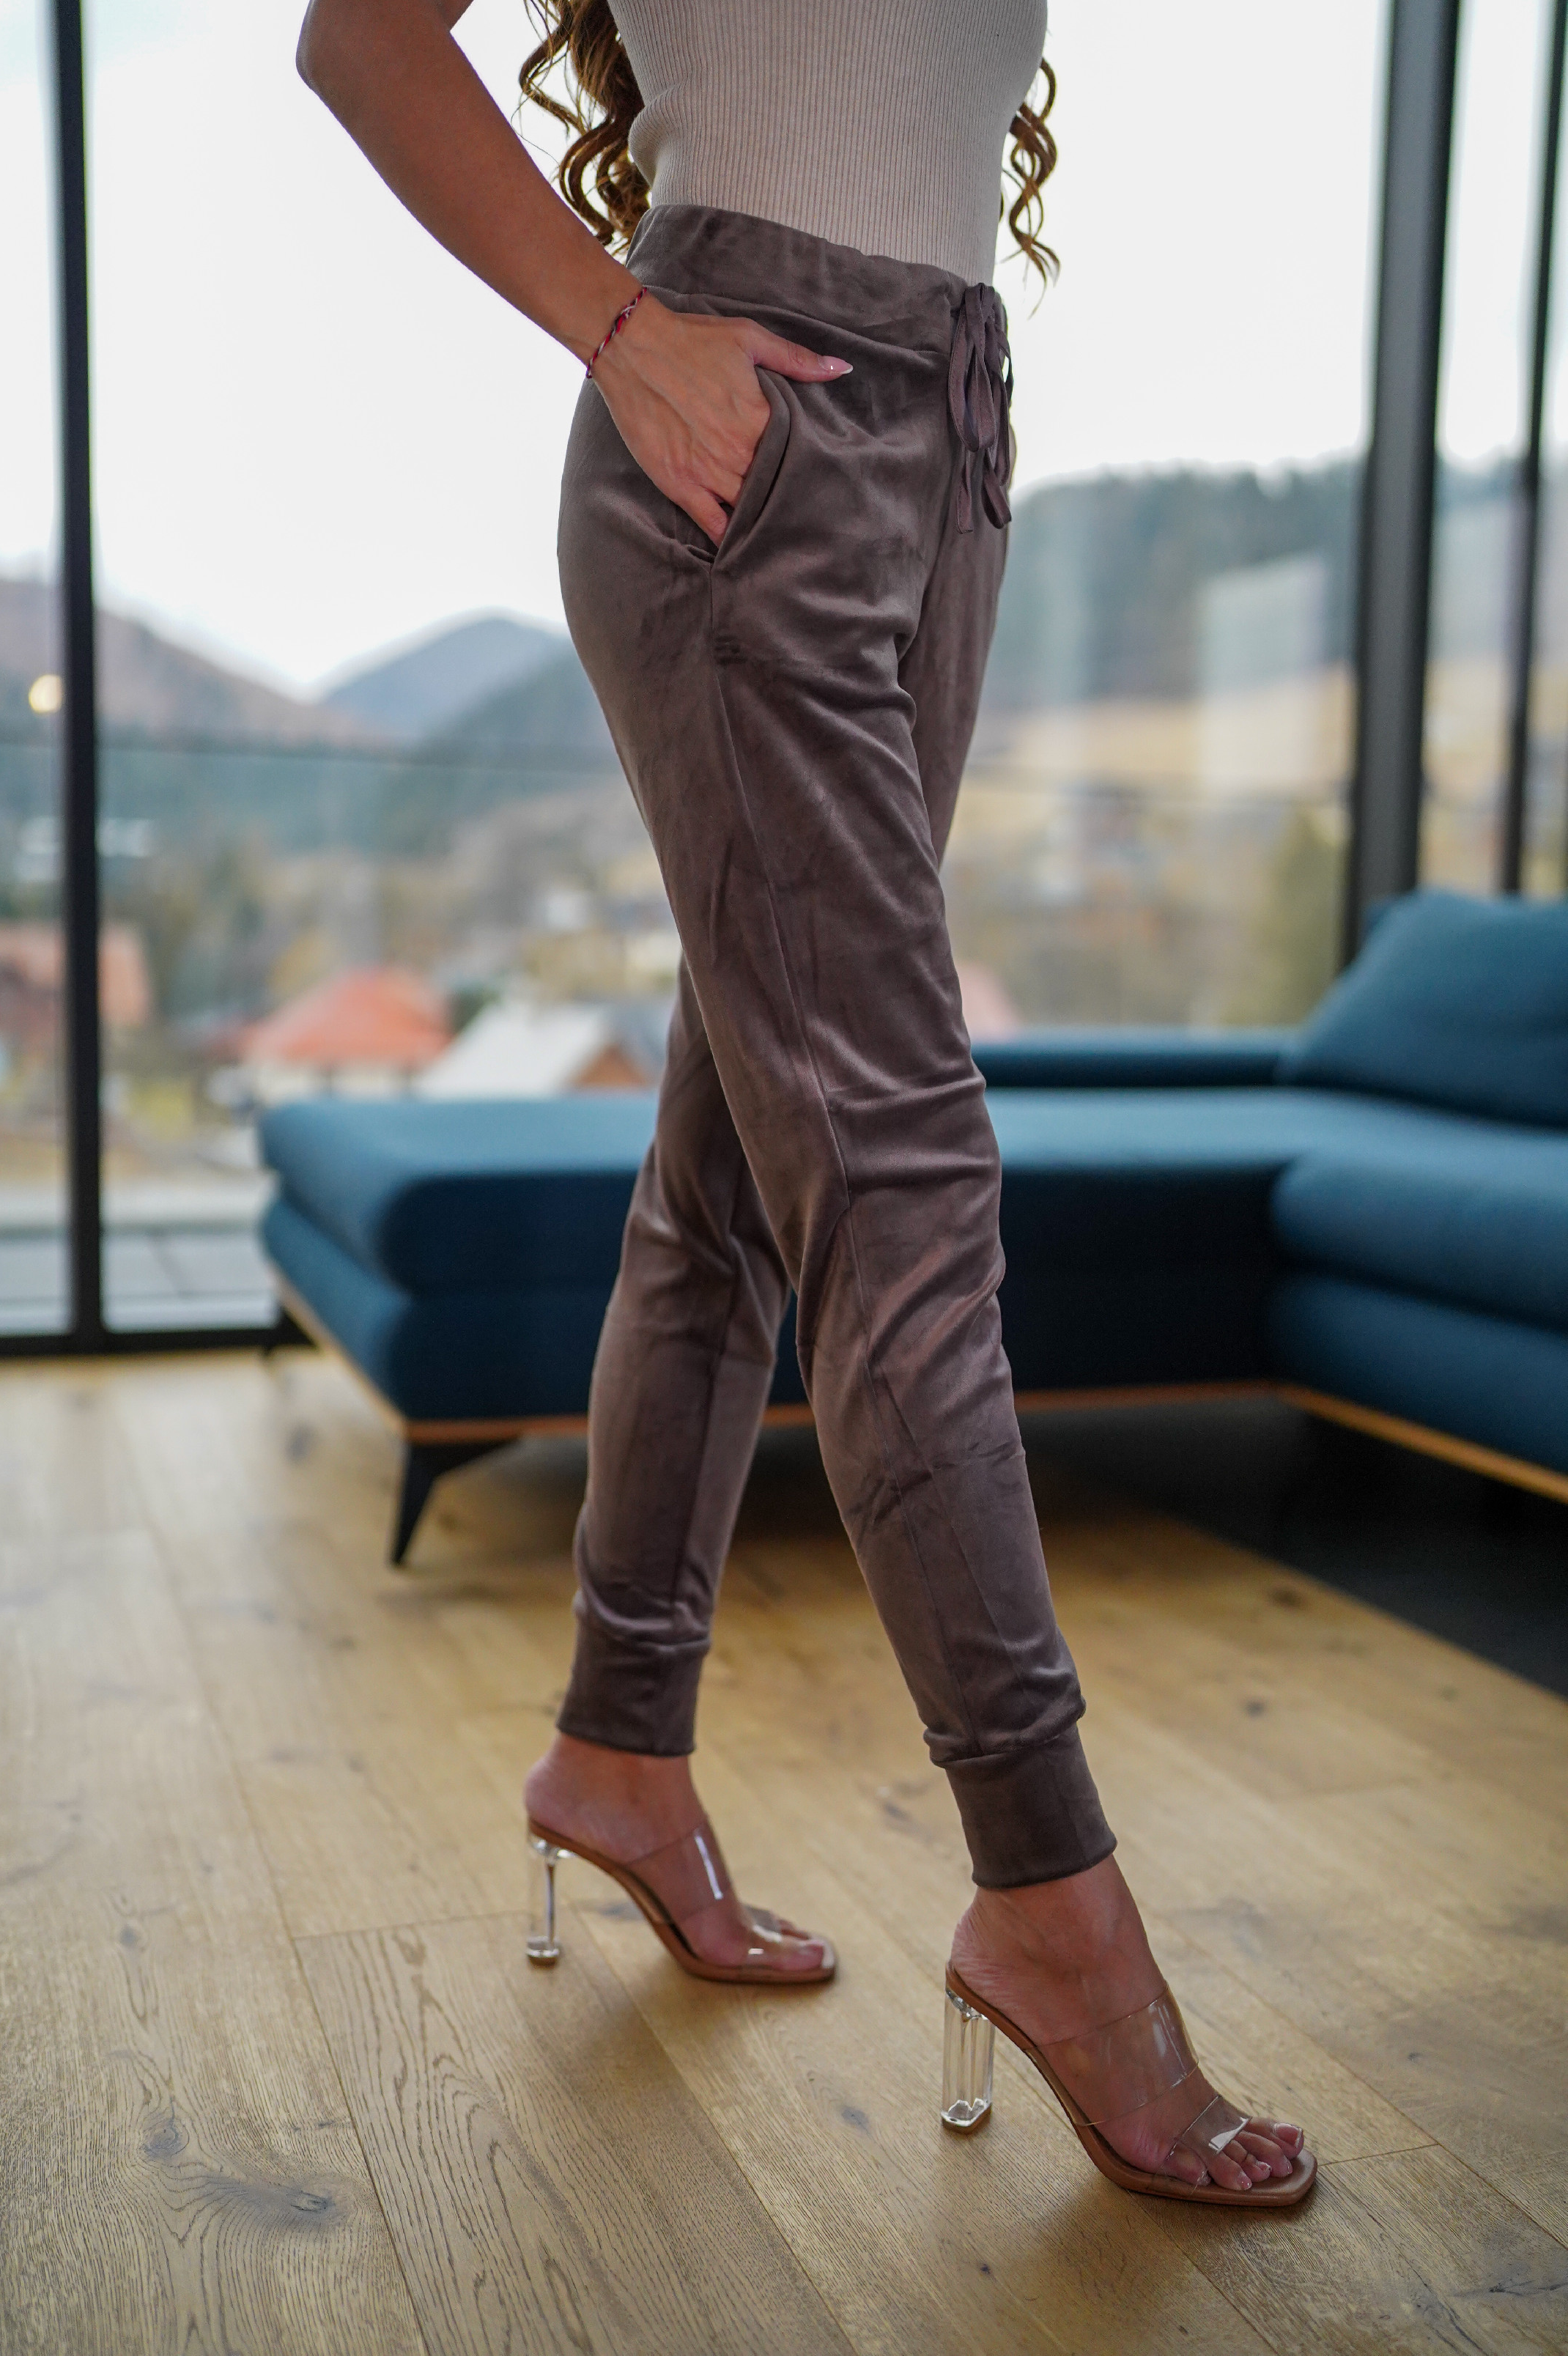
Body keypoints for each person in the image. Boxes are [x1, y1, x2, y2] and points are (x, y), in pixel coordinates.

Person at [297, 0, 1314, 2206]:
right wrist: (621, 332)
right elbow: (356, 36)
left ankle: (618, 1754)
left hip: (942, 435)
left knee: (741, 1172)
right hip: (738, 439)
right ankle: (1053, 1905)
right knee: (900, 1178)